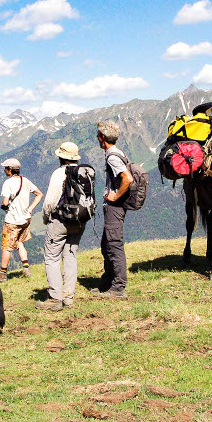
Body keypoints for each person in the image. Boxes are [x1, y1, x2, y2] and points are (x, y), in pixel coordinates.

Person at [36, 142, 85, 311]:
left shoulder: (59, 173)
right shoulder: (84, 172)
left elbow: (49, 202)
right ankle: (68, 297)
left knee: (52, 258)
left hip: (60, 220)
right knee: (70, 256)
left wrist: (45, 219)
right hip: (79, 220)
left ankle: (55, 298)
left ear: (61, 157)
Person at [92, 121, 132, 299]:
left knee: (114, 244)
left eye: (98, 135)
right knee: (107, 244)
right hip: (114, 208)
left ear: (103, 137)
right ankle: (107, 282)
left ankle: (118, 287)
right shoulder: (116, 152)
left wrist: (115, 196)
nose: (97, 138)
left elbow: (127, 178)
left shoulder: (113, 156)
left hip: (115, 207)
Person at [0, 158, 42, 283]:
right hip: (25, 219)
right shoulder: (25, 180)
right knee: (20, 242)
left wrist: (5, 205)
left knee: (6, 247)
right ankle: (26, 268)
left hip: (12, 220)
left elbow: (5, 202)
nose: (4, 170)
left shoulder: (8, 183)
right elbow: (39, 194)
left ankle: (2, 274)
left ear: (9, 170)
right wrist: (30, 209)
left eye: (5, 168)